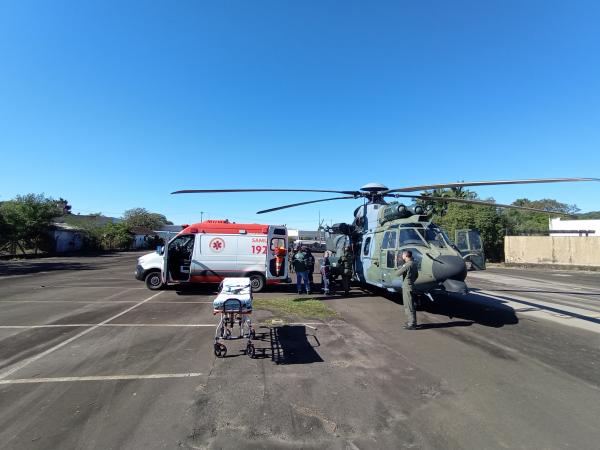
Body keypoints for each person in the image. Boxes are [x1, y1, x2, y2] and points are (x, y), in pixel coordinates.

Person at [396, 250, 419, 330]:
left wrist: (399, 266)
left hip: (407, 287)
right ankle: (413, 321)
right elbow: (416, 275)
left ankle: (411, 324)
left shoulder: (407, 265)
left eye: (403, 255)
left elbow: (397, 273)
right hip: (411, 286)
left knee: (408, 306)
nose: (402, 256)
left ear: (406, 256)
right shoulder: (414, 264)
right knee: (412, 305)